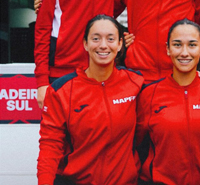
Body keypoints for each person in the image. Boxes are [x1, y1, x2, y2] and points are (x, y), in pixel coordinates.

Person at [37, 15, 144, 185]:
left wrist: (199, 77)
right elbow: (50, 146)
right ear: (85, 44)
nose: (103, 45)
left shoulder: (136, 82)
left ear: (120, 44)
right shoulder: (61, 90)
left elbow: (169, 89)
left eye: (110, 39)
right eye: (96, 38)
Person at [135, 19, 200, 184]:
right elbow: (135, 144)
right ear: (168, 49)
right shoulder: (149, 94)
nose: (184, 53)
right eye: (177, 45)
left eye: (192, 45)